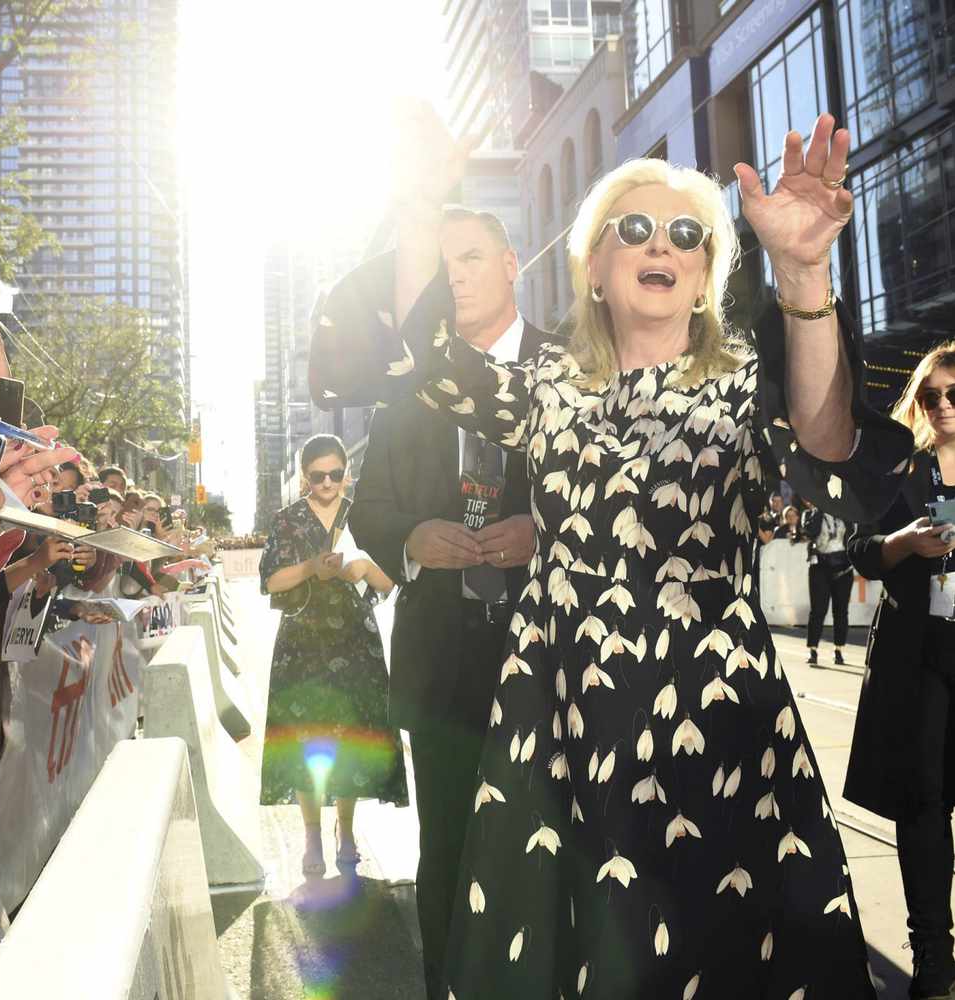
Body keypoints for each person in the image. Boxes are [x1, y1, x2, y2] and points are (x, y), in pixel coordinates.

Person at [316, 113, 911, 995]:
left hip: (717, 722)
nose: (659, 243)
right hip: (564, 720)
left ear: (706, 269)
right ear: (595, 263)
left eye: (685, 234)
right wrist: (418, 208)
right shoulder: (548, 386)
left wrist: (804, 270)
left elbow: (832, 457)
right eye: (633, 228)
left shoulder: (747, 382)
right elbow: (428, 354)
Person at [342, 203, 550, 1000]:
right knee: (452, 852)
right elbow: (370, 508)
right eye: (443, 266)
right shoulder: (410, 385)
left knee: (551, 848)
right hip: (443, 663)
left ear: (511, 263)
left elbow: (609, 496)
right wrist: (411, 537)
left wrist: (545, 528)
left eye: (471, 257)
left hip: (554, 658)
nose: (457, 276)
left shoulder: (569, 366)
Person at [846, 341, 955, 999]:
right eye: (931, 395)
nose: (943, 406)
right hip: (919, 654)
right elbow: (858, 551)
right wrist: (904, 543)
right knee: (923, 810)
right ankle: (935, 965)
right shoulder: (901, 469)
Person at [259, 434, 406, 877]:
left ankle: (345, 831)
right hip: (301, 646)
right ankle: (311, 836)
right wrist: (311, 568)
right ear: (305, 476)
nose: (327, 482)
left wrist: (363, 568)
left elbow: (391, 582)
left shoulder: (364, 517)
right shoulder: (287, 520)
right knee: (305, 741)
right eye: (319, 475)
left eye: (335, 474)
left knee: (351, 742)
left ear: (347, 474)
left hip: (355, 643)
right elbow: (270, 581)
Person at [800, 498, 852, 666]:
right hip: (820, 565)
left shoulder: (845, 514)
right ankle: (813, 649)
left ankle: (839, 650)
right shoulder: (811, 514)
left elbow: (853, 535)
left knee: (841, 610)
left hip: (843, 566)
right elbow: (809, 531)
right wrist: (819, 509)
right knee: (818, 610)